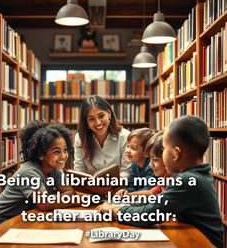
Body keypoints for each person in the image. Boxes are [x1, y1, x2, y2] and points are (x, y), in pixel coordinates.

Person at [97, 115, 223, 248]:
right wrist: (120, 207)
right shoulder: (197, 176)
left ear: (176, 153)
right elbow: (156, 202)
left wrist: (116, 211)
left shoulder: (187, 181)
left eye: (164, 148)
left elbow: (150, 214)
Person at [0, 121, 76, 232]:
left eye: (65, 150)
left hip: (23, 217)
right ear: (41, 154)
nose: (63, 156)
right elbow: (44, 203)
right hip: (0, 221)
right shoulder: (29, 171)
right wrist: (76, 200)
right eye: (57, 151)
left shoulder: (55, 168)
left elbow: (70, 192)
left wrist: (63, 198)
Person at [74, 95, 131, 178]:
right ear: (86, 121)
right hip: (90, 189)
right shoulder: (80, 138)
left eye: (101, 116)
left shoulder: (125, 137)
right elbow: (79, 170)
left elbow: (126, 171)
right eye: (91, 119)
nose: (98, 123)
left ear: (109, 113)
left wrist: (110, 184)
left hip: (118, 188)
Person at [115, 128, 156, 197]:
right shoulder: (134, 164)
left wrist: (129, 195)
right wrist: (125, 191)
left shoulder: (152, 166)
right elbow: (133, 185)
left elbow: (149, 189)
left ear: (147, 152)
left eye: (133, 148)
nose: (127, 151)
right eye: (128, 146)